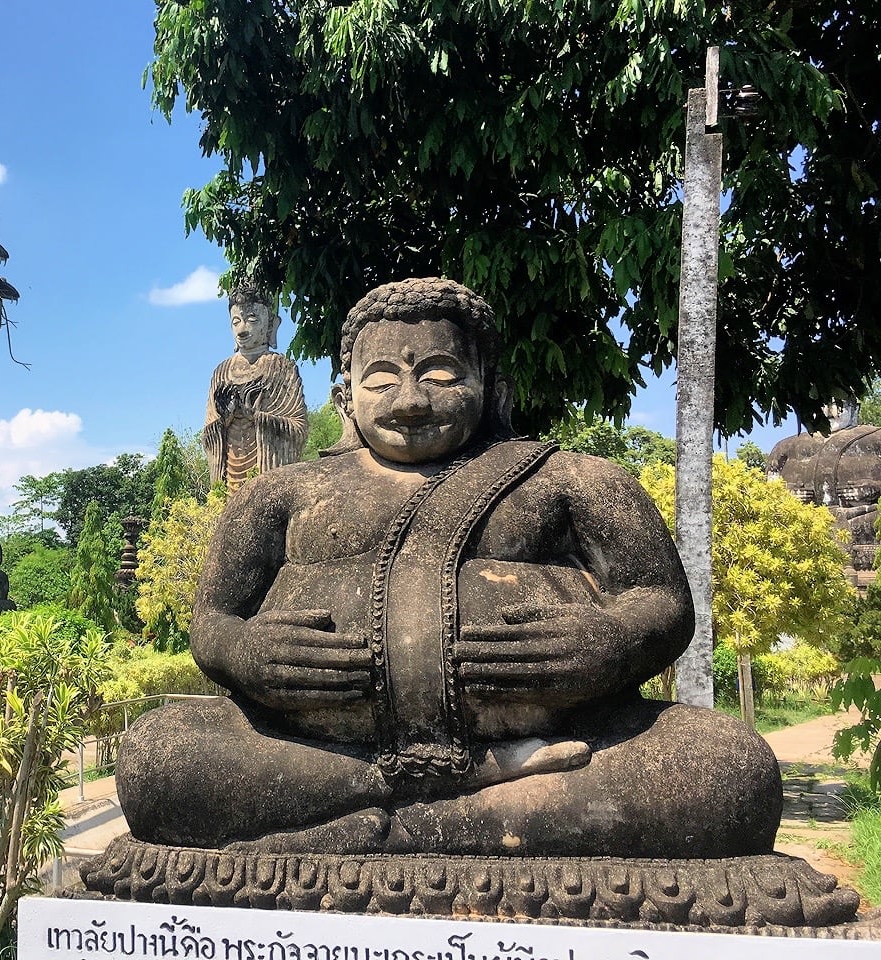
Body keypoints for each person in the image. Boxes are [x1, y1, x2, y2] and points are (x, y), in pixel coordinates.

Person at [117, 277, 779, 858]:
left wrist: (606, 640)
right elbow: (213, 622)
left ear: (490, 385)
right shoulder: (283, 495)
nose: (408, 400)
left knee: (729, 771)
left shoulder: (570, 480)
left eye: (436, 374)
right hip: (315, 752)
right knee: (155, 760)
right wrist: (248, 650)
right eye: (381, 379)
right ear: (346, 396)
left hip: (555, 742)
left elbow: (661, 603)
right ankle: (424, 791)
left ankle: (391, 828)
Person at [201, 281, 307, 491]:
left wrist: (256, 416)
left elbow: (299, 429)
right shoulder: (221, 372)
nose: (242, 329)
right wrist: (225, 418)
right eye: (236, 321)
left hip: (268, 473)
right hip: (229, 477)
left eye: (251, 319)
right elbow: (207, 435)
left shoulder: (281, 367)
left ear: (271, 325)